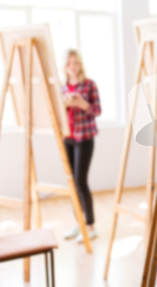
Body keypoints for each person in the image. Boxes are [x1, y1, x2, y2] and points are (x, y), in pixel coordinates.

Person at [61, 49, 102, 243]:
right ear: (65, 67)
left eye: (76, 63)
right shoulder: (62, 88)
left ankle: (90, 225)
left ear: (80, 65)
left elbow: (97, 110)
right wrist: (65, 104)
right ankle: (78, 222)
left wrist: (82, 104)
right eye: (70, 63)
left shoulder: (89, 85)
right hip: (67, 137)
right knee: (72, 182)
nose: (73, 67)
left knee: (81, 182)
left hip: (84, 138)